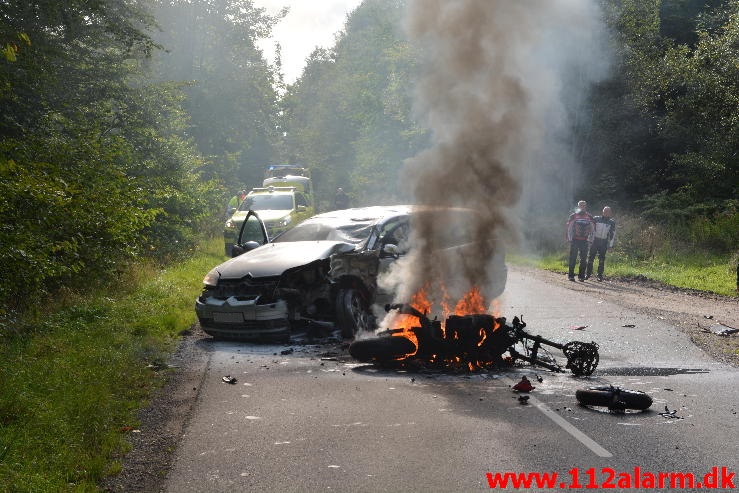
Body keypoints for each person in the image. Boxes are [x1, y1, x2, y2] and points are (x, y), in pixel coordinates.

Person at [566, 200, 594, 282]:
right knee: (573, 258)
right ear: (578, 206)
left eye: (584, 205)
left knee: (583, 259)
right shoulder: (573, 216)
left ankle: (581, 276)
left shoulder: (589, 216)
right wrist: (569, 239)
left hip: (585, 241)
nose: (582, 207)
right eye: (581, 205)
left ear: (586, 206)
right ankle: (571, 276)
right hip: (575, 240)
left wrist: (591, 240)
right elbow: (569, 228)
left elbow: (592, 229)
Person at [586, 206, 616, 281]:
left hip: (603, 242)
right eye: (605, 211)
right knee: (590, 258)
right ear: (602, 211)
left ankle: (599, 275)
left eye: (608, 212)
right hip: (595, 240)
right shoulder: (596, 218)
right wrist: (589, 240)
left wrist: (611, 246)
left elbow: (612, 235)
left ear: (610, 213)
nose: (606, 213)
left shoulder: (612, 222)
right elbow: (590, 229)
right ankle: (588, 274)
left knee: (602, 260)